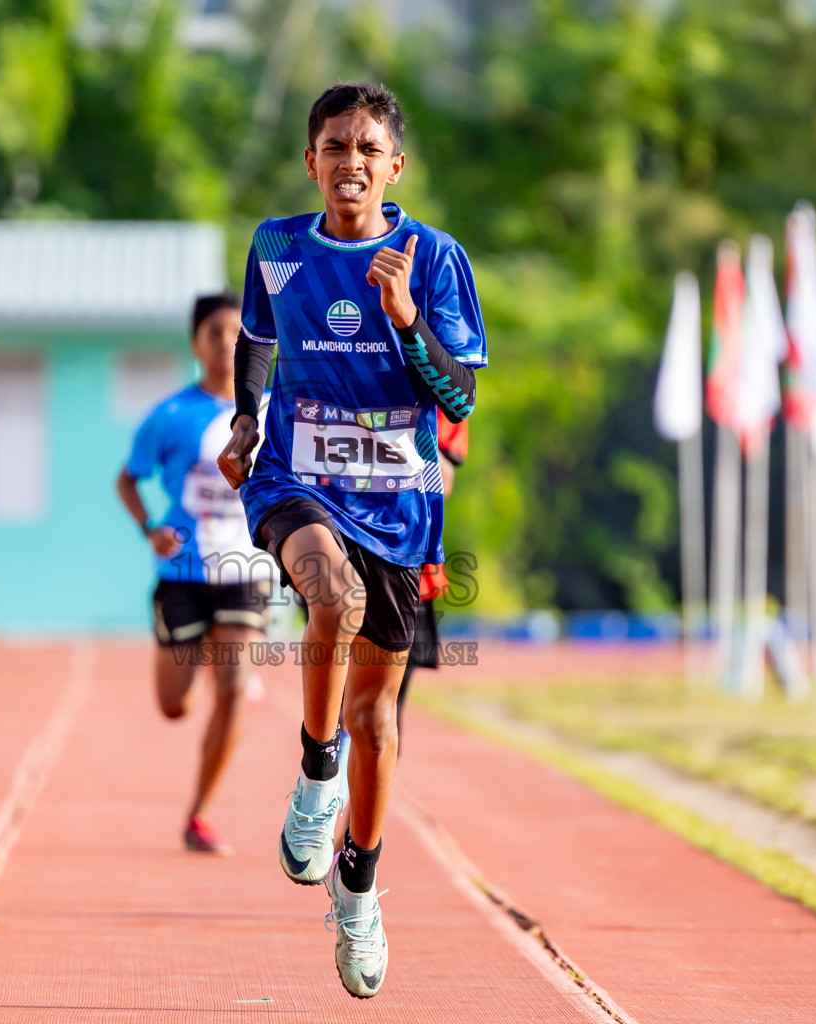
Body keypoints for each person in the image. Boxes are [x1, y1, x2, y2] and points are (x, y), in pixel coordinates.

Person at [218, 82, 485, 999]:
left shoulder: (436, 259)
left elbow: (460, 399)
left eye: (369, 148)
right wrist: (247, 419)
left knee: (380, 718)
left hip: (400, 506)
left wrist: (410, 323)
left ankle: (360, 887)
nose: (352, 162)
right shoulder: (277, 247)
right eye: (336, 146)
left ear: (394, 167)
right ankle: (313, 771)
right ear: (311, 161)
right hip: (295, 478)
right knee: (331, 596)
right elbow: (257, 340)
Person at [117, 293, 276, 856]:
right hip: (182, 571)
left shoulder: (274, 412)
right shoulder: (170, 416)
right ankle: (214, 660)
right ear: (194, 343)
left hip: (246, 568)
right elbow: (127, 479)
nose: (226, 340)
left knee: (232, 691)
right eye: (214, 331)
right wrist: (149, 529)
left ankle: (200, 814)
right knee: (173, 706)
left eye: (238, 330)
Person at [397, 411, 469, 746]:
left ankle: (359, 800)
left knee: (383, 707)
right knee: (335, 703)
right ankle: (323, 791)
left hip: (408, 565)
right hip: (337, 555)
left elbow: (445, 474)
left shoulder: (433, 365)